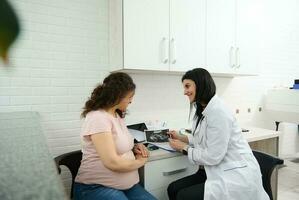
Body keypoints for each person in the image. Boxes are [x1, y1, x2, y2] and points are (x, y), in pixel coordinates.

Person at [167, 68, 269, 200]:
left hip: (235, 176)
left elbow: (213, 156)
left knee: (183, 196)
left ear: (200, 85)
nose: (184, 92)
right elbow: (203, 138)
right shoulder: (203, 109)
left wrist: (184, 148)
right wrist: (182, 138)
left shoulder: (219, 112)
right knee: (173, 189)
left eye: (187, 86)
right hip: (215, 171)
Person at [73, 72, 157, 200]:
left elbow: (118, 144)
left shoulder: (116, 115)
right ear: (118, 96)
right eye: (130, 97)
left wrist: (134, 147)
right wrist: (140, 161)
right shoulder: (98, 118)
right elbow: (112, 163)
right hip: (95, 187)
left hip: (127, 187)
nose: (131, 101)